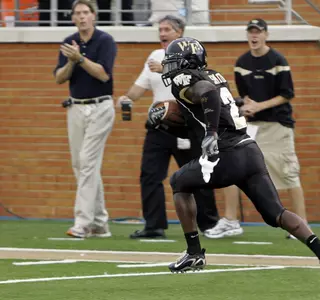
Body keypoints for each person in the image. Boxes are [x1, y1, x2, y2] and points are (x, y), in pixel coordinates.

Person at [156, 36, 320, 292]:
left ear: (187, 62)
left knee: (179, 181)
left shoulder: (184, 80)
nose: (170, 68)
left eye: (174, 62)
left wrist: (210, 134)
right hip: (249, 150)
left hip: (226, 154)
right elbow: (205, 111)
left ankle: (194, 252)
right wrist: (170, 121)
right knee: (275, 213)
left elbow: (207, 95)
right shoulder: (213, 74)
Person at [117, 15, 219, 239]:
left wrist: (165, 69)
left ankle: (210, 224)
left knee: (199, 175)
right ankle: (154, 226)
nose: (162, 34)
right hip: (159, 126)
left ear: (179, 32)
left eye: (167, 30)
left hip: (187, 125)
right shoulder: (154, 56)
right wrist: (127, 98)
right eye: (160, 29)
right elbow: (139, 87)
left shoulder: (190, 55)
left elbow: (197, 80)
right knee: (149, 175)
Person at [233, 18, 307, 240]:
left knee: (288, 173)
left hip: (277, 125)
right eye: (251, 32)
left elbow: (287, 94)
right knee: (238, 169)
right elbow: (245, 94)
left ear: (266, 35)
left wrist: (259, 106)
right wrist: (247, 107)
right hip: (253, 126)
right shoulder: (241, 62)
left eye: (258, 32)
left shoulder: (278, 60)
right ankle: (230, 222)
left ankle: (301, 226)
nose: (254, 36)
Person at [54, 0, 117, 238]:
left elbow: (103, 74)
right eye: (77, 14)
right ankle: (100, 222)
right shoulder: (69, 42)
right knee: (81, 165)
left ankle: (82, 222)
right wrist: (71, 61)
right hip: (76, 107)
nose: (81, 17)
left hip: (100, 106)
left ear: (93, 16)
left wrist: (80, 59)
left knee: (87, 162)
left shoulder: (105, 41)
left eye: (85, 13)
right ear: (72, 18)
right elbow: (59, 78)